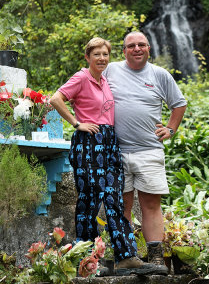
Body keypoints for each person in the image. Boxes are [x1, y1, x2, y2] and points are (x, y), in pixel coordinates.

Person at [50, 37, 163, 276]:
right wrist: (76, 123)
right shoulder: (82, 77)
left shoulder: (105, 80)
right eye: (97, 54)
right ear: (87, 57)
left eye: (105, 54)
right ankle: (86, 259)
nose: (102, 58)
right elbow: (55, 99)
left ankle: (126, 257)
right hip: (89, 142)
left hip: (111, 143)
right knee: (89, 201)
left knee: (115, 200)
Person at [104, 31, 187, 267]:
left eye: (142, 44)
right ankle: (125, 255)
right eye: (131, 46)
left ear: (149, 48)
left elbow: (179, 104)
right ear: (124, 51)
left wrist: (170, 129)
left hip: (149, 151)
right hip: (115, 152)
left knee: (151, 205)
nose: (137, 48)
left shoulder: (160, 75)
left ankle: (156, 257)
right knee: (122, 206)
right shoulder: (111, 70)